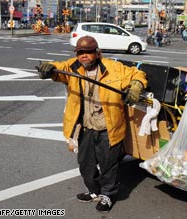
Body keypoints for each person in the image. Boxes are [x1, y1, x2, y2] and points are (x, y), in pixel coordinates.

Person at [37, 36, 147, 213]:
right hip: (86, 127)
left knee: (108, 165)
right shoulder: (73, 67)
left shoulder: (114, 68)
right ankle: (94, 191)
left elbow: (137, 73)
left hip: (108, 127)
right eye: (80, 53)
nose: (84, 56)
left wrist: (135, 85)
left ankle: (107, 194)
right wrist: (48, 69)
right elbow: (58, 68)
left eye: (88, 52)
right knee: (85, 164)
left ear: (97, 53)